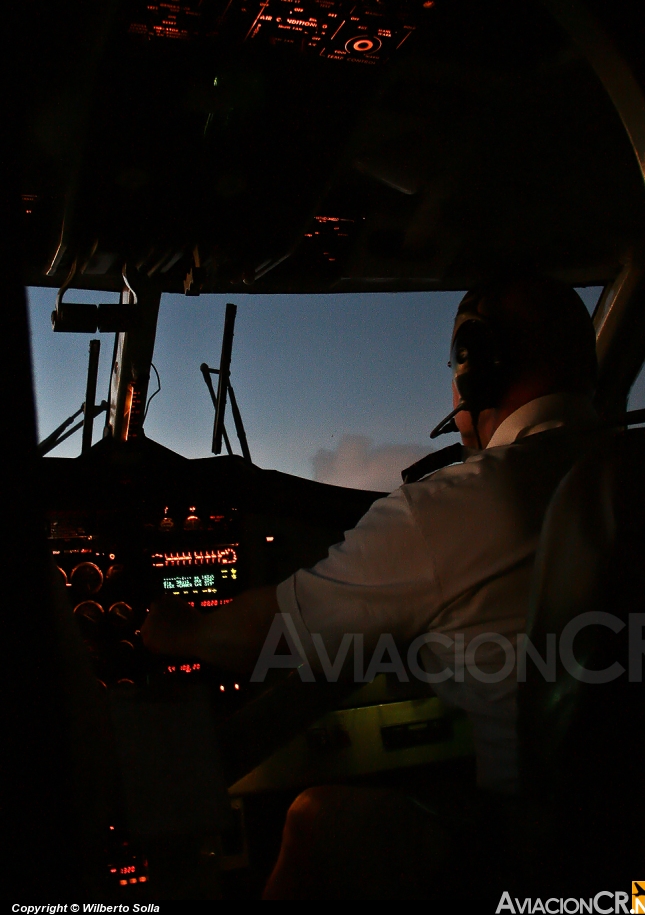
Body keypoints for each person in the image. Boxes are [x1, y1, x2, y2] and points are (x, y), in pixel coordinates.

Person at [142, 272, 600, 898]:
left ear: (477, 366)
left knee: (318, 822)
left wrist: (169, 630)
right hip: (638, 839)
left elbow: (267, 637)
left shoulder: (462, 501)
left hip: (545, 867)